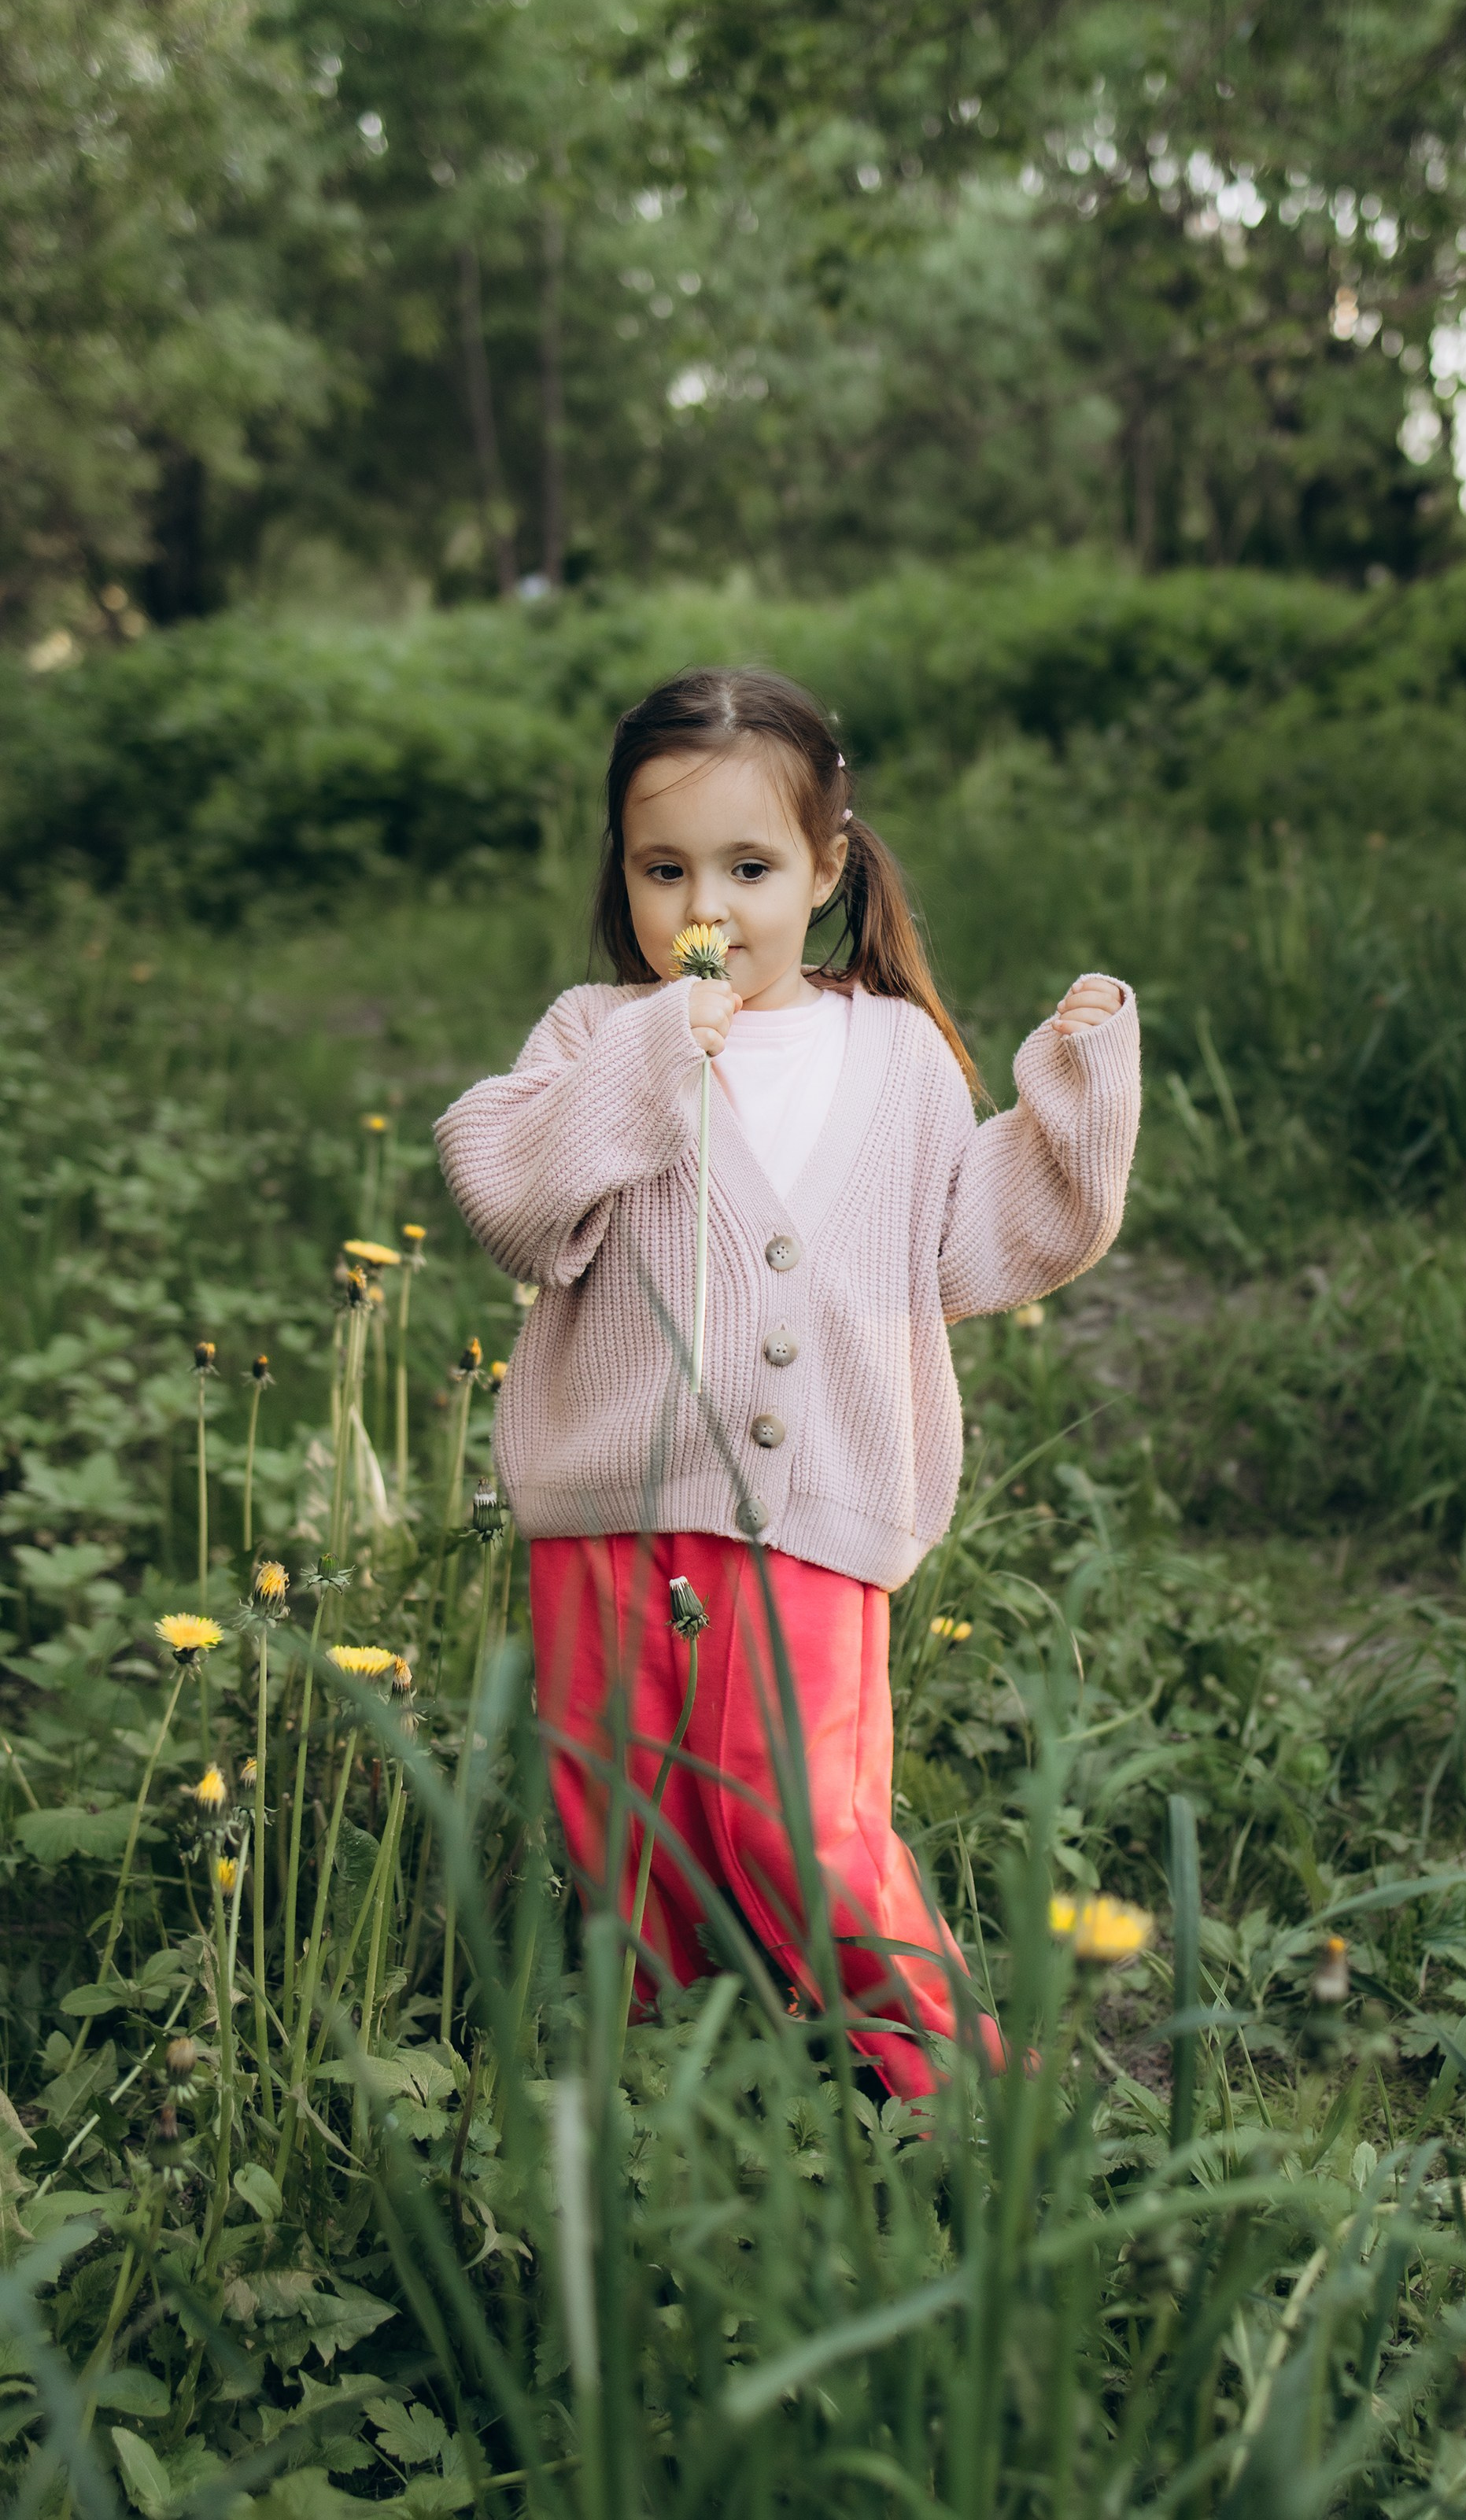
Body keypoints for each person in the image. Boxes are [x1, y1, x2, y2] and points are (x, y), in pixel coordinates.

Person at [435, 666, 1139, 2098]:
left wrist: (1072, 1092)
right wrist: (648, 1051)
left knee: (799, 1812)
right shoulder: (593, 1035)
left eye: (749, 867)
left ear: (826, 868)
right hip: (609, 1504)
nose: (706, 909)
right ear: (621, 876)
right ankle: (672, 2076)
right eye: (664, 869)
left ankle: (944, 2073)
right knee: (623, 1812)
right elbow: (507, 1191)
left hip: (815, 1507)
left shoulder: (893, 1052)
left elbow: (968, 1240)